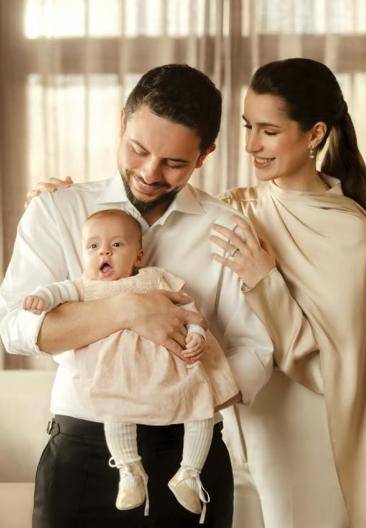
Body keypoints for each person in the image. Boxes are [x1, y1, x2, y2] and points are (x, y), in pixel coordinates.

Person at [0, 64, 274, 528]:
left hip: (189, 453)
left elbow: (256, 348)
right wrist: (129, 308)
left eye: (174, 163)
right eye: (138, 149)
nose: (149, 173)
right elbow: (17, 328)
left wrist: (186, 395)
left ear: (204, 155)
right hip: (82, 453)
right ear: (122, 122)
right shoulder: (56, 211)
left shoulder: (228, 228)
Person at [209, 58, 366, 528]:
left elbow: (333, 365)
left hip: (313, 427)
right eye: (248, 126)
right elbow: (146, 235)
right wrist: (60, 200)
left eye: (268, 131)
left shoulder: (349, 233)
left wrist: (264, 279)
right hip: (249, 421)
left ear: (314, 134)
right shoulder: (238, 207)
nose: (251, 145)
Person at [22, 208, 240, 524]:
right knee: (114, 407)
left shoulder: (155, 279)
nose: (104, 252)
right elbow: (57, 292)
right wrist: (41, 298)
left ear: (138, 256)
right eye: (93, 246)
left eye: (116, 245)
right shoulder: (84, 286)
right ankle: (129, 469)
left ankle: (189, 473)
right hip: (118, 374)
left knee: (200, 407)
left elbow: (189, 311)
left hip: (171, 369)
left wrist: (196, 334)